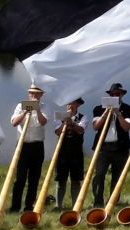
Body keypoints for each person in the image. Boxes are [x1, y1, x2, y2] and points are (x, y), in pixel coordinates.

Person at [91, 82, 130, 209]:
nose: (115, 96)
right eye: (113, 94)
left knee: (117, 177)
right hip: (103, 148)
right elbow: (96, 126)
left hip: (120, 148)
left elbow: (127, 127)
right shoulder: (98, 109)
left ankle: (113, 203)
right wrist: (106, 113)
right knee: (99, 175)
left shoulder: (129, 110)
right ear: (109, 95)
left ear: (122, 95)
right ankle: (98, 202)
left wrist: (118, 113)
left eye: (118, 94)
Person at [8, 84, 48, 213]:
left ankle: (29, 206)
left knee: (34, 178)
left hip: (37, 146)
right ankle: (15, 207)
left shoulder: (44, 107)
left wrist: (37, 110)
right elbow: (14, 123)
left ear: (41, 95)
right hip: (22, 145)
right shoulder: (20, 106)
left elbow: (43, 122)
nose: (33, 96)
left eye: (36, 94)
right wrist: (25, 111)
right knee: (20, 178)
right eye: (31, 93)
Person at [54, 98, 87, 211]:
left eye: (72, 103)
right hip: (62, 152)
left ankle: (75, 206)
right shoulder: (59, 115)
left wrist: (71, 123)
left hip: (76, 152)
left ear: (77, 105)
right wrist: (65, 121)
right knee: (60, 179)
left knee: (76, 180)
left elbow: (81, 129)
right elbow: (57, 131)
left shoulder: (83, 117)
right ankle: (58, 206)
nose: (69, 105)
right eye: (68, 102)